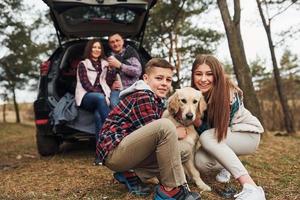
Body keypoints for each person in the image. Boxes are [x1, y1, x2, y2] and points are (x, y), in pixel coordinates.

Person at [96, 58, 201, 200]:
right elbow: (156, 135)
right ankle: (169, 190)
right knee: (165, 125)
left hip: (128, 152)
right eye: (159, 78)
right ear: (145, 78)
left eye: (168, 80)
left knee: (184, 150)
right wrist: (175, 132)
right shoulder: (143, 95)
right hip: (115, 152)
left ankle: (131, 173)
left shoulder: (155, 99)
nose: (164, 83)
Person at [190, 54, 266, 200]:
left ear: (217, 75)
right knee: (200, 161)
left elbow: (218, 131)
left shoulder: (227, 93)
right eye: (198, 74)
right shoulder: (197, 95)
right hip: (224, 138)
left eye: (209, 74)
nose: (203, 79)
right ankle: (227, 166)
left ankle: (252, 188)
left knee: (207, 137)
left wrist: (198, 123)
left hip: (246, 135)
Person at [75, 39, 117, 143]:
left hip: (101, 98)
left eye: (99, 47)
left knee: (98, 115)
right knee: (99, 97)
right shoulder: (83, 64)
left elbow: (108, 81)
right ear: (89, 49)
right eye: (94, 47)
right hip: (86, 96)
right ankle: (114, 127)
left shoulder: (104, 64)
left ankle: (100, 151)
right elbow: (85, 84)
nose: (96, 50)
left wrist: (111, 70)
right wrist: (101, 95)